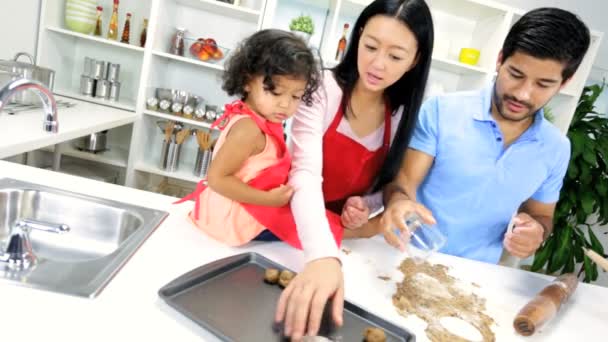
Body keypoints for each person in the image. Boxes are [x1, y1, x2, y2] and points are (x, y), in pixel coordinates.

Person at [377, 7, 590, 264]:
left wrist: (537, 231)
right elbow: (402, 184)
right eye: (515, 74)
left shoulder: (557, 147)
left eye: (543, 84)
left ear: (564, 83)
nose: (522, 94)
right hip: (402, 256)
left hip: (474, 277)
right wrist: (399, 201)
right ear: (500, 59)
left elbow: (541, 214)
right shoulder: (441, 111)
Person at [275, 0, 434, 340]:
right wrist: (322, 257)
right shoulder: (322, 88)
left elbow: (380, 186)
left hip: (344, 241)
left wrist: (365, 206)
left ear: (416, 60)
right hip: (295, 228)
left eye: (395, 56)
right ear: (358, 36)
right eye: (371, 46)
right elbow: (303, 174)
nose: (377, 64)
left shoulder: (400, 115)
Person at [176, 29, 321, 246]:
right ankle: (365, 229)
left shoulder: (261, 119)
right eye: (275, 92)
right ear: (247, 81)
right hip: (231, 221)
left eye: (296, 96)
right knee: (314, 225)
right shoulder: (249, 129)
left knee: (312, 219)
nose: (285, 104)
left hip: (235, 213)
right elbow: (217, 179)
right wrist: (269, 200)